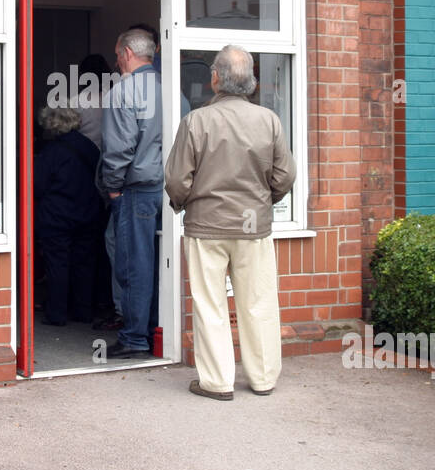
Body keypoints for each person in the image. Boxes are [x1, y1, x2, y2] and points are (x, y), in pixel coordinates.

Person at [165, 45, 296, 400]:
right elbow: (285, 176)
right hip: (254, 228)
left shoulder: (196, 121)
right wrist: (264, 202)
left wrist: (183, 204)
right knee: (259, 303)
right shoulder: (269, 120)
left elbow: (177, 180)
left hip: (206, 227)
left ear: (214, 80)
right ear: (252, 82)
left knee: (210, 306)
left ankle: (217, 382)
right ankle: (264, 377)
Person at [100, 27, 163, 358]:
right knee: (159, 265)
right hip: (166, 190)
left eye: (117, 55)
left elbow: (118, 148)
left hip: (135, 192)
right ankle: (155, 333)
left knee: (134, 266)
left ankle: (135, 338)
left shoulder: (123, 92)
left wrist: (112, 190)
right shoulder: (171, 89)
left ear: (125, 53)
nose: (117, 61)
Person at [34, 106, 103, 326]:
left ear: (51, 125)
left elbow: (37, 185)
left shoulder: (51, 152)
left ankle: (57, 314)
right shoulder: (89, 147)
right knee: (84, 264)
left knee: (58, 264)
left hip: (57, 217)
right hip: (88, 213)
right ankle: (82, 311)